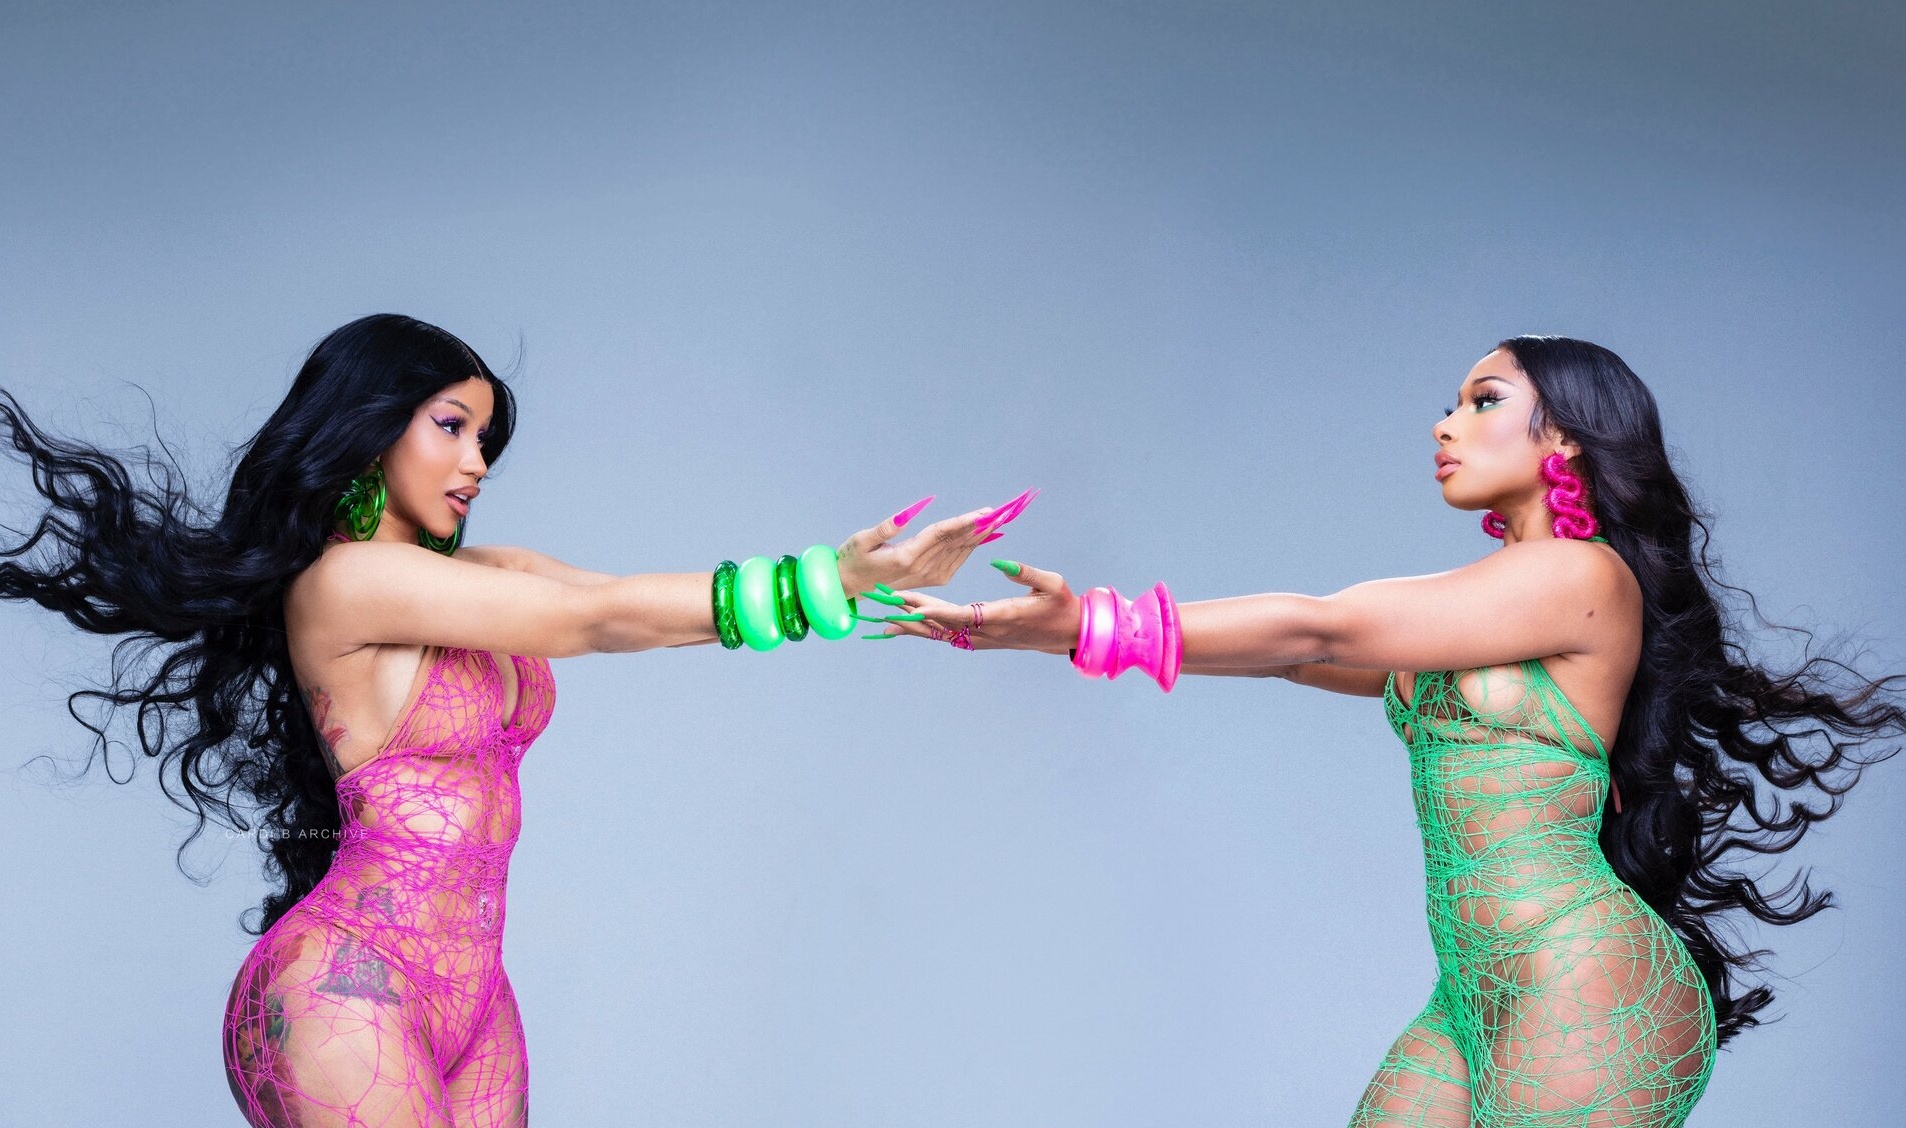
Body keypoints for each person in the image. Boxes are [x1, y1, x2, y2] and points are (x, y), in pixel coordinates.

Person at [0, 312, 1021, 1127]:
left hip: (476, 994)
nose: (477, 461)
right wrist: (822, 579)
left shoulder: (484, 576)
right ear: (369, 425)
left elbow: (628, 607)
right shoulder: (345, 583)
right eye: (451, 426)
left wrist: (855, 596)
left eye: (484, 439)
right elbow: (592, 624)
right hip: (349, 989)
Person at [883, 336, 1904, 1126]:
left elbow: (1319, 626)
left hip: (1583, 983)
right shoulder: (1485, 607)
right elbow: (1293, 657)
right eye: (1450, 403)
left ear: (1565, 439)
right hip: (1471, 993)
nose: (1444, 424)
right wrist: (1055, 639)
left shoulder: (1580, 576)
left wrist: (1093, 621)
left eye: (1483, 400)